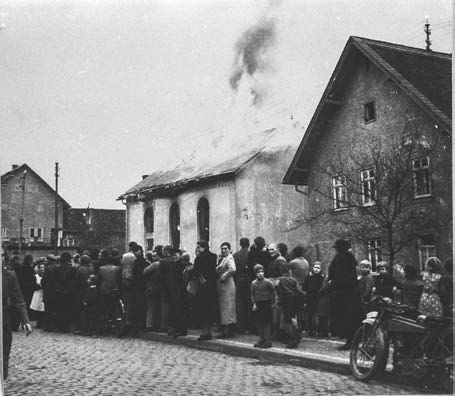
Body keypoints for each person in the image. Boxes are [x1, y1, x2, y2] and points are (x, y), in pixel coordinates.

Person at [327, 239, 363, 350]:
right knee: (351, 318)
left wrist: (332, 284)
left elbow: (338, 275)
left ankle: (350, 341)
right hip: (350, 292)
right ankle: (351, 340)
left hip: (344, 293)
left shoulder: (341, 259)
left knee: (347, 318)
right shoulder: (348, 258)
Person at [3, 266, 33, 379]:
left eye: (1, 255)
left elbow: (18, 299)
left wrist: (25, 320)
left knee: (3, 361)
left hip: (3, 324)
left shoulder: (9, 276)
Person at [193, 240, 218, 341]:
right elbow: (213, 270)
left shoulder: (199, 258)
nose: (197, 249)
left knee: (203, 310)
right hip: (211, 286)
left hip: (203, 287)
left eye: (198, 247)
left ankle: (204, 332)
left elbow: (195, 271)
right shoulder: (213, 256)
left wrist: (201, 277)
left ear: (203, 247)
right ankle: (209, 332)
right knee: (210, 310)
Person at [275, 267, 305, 348]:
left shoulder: (280, 279)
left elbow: (276, 286)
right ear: (289, 272)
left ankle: (292, 339)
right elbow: (299, 291)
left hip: (286, 300)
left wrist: (280, 297)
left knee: (287, 320)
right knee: (293, 318)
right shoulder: (293, 280)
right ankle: (297, 335)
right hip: (294, 300)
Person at [97, 251, 122, 333]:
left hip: (104, 291)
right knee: (115, 308)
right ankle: (115, 325)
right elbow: (119, 281)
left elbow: (99, 281)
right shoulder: (117, 269)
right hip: (114, 291)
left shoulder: (101, 269)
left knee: (104, 309)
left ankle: (103, 326)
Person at [251, 264, 274, 348]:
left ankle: (268, 341)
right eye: (258, 272)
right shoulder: (253, 283)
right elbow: (252, 294)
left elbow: (272, 292)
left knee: (266, 323)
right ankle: (262, 339)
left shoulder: (267, 282)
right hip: (258, 304)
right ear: (255, 273)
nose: (260, 274)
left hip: (266, 303)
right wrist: (254, 303)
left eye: (262, 272)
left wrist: (272, 303)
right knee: (259, 323)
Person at [216, 242, 237, 339]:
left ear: (229, 249)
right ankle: (226, 328)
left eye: (225, 248)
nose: (224, 250)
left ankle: (229, 329)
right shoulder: (223, 259)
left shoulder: (229, 258)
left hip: (228, 285)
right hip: (223, 286)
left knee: (229, 307)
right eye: (222, 249)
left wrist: (224, 276)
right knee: (225, 307)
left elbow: (232, 269)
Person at [233, 237, 254, 334]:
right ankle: (250, 327)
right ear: (249, 244)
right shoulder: (251, 254)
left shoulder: (236, 255)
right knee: (250, 303)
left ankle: (241, 327)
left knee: (240, 304)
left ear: (240, 244)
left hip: (239, 280)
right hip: (249, 280)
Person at [287, 245, 309, 332]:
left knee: (294, 308)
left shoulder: (293, 262)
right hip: (304, 285)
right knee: (301, 308)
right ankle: (303, 327)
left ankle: (296, 328)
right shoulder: (306, 261)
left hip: (296, 286)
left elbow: (286, 269)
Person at [302, 262, 324, 336]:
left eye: (318, 268)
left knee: (319, 315)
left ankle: (320, 330)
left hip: (319, 298)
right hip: (310, 298)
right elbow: (304, 287)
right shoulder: (309, 276)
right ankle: (311, 330)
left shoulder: (322, 277)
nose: (316, 269)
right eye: (315, 267)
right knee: (310, 314)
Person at [121, 241, 138, 330]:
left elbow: (122, 266)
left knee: (126, 300)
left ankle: (126, 319)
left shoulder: (124, 256)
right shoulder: (135, 257)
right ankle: (131, 320)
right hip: (132, 279)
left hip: (124, 278)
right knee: (132, 301)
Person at [143, 250, 161, 331]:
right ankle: (157, 324)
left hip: (152, 287)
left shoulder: (155, 264)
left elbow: (144, 272)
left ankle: (149, 325)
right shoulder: (164, 263)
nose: (153, 258)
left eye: (154, 256)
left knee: (150, 307)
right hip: (160, 287)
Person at [30, 260, 46, 328]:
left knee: (42, 307)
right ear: (38, 268)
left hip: (43, 293)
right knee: (37, 307)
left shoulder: (46, 276)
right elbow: (33, 285)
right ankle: (38, 322)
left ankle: (42, 322)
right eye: (41, 267)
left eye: (43, 267)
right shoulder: (35, 276)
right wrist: (39, 286)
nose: (42, 269)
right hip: (37, 293)